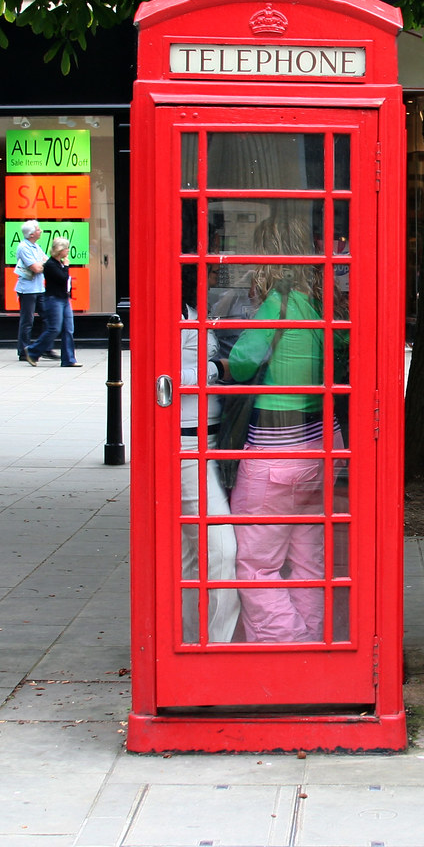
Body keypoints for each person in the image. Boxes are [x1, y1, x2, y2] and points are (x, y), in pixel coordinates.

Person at [226, 211, 347, 643]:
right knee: (309, 562)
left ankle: (291, 649)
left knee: (256, 566)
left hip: (276, 453)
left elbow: (241, 365)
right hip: (322, 445)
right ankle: (318, 647)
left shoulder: (277, 303)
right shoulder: (321, 299)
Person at [178, 268, 240, 643]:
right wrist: (219, 369)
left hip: (213, 442)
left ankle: (188, 642)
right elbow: (163, 374)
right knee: (221, 550)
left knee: (191, 554)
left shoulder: (193, 309)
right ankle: (218, 648)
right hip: (184, 447)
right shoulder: (167, 312)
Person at [29, 237, 82, 367]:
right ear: (60, 250)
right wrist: (67, 266)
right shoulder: (51, 265)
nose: (68, 251)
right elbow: (63, 278)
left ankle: (69, 359)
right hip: (53, 299)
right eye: (66, 248)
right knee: (54, 328)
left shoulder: (59, 264)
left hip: (64, 299)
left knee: (68, 329)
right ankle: (32, 351)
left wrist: (64, 266)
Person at [14, 219, 53, 363]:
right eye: (37, 229)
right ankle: (23, 350)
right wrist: (42, 264)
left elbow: (46, 264)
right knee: (27, 320)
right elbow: (36, 268)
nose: (40, 231)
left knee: (48, 317)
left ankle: (44, 347)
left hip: (39, 288)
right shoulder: (24, 247)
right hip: (27, 289)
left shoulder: (36, 246)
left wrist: (42, 264)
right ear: (31, 234)